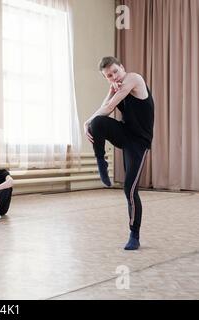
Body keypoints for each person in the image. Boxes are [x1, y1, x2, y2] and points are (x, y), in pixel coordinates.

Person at [83, 56, 154, 250]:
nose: (114, 76)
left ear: (122, 67)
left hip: (139, 143)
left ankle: (134, 234)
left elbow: (108, 107)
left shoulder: (133, 79)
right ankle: (101, 161)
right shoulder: (115, 86)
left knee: (129, 189)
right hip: (125, 134)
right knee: (97, 124)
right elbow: (103, 108)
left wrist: (86, 122)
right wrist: (90, 123)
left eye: (115, 71)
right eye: (109, 76)